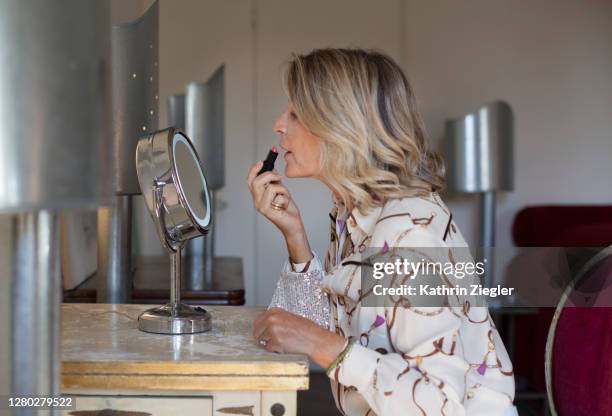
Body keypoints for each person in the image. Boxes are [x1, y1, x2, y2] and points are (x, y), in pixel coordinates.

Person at [247, 48, 516, 416]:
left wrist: (320, 343)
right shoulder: (353, 212)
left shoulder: (408, 233)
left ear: (340, 125)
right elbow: (328, 327)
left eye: (295, 113)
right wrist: (294, 234)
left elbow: (440, 404)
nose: (279, 123)